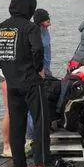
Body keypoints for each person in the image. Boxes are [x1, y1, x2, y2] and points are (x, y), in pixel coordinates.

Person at [0, 0, 61, 167]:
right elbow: (38, 49)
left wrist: (1, 64)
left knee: (17, 123)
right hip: (32, 82)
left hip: (12, 82)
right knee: (41, 121)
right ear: (29, 9)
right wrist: (37, 68)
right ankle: (40, 164)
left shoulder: (1, 27)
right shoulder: (30, 27)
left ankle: (20, 166)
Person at [25, 8, 54, 142]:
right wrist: (39, 70)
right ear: (41, 22)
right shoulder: (34, 32)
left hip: (46, 70)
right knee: (34, 104)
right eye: (47, 21)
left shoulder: (45, 32)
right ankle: (31, 136)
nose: (50, 23)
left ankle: (43, 128)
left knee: (45, 100)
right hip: (38, 71)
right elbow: (35, 52)